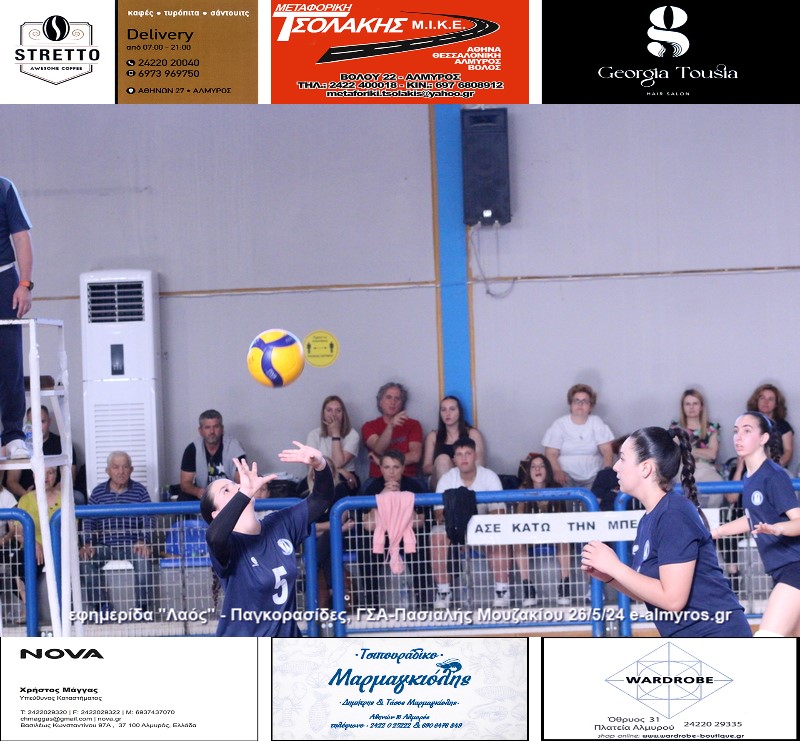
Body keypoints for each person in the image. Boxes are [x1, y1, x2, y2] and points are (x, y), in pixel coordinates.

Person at [580, 427, 752, 637]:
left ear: (646, 468)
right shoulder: (650, 518)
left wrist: (615, 567)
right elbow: (650, 592)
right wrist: (610, 576)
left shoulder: (674, 513)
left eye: (622, 459)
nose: (615, 466)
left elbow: (672, 600)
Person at [201, 441, 334, 637]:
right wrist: (244, 493)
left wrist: (320, 465)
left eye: (236, 484)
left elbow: (321, 500)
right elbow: (214, 537)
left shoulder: (279, 524)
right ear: (217, 514)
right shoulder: (228, 545)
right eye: (227, 490)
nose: (239, 487)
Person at [711, 413, 800, 637]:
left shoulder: (773, 476)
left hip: (795, 568)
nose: (738, 437)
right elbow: (752, 518)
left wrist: (778, 528)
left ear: (763, 438)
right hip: (782, 570)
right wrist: (716, 532)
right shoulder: (751, 477)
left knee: (766, 639)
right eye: (736, 431)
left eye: (747, 430)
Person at [431, 437, 510, 608]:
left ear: (475, 455)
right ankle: (443, 591)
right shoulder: (447, 479)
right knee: (437, 535)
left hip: (483, 529)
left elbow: (498, 514)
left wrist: (473, 532)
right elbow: (439, 515)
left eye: (468, 453)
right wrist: (461, 534)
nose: (464, 458)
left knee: (498, 534)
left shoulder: (489, 476)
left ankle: (502, 589)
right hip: (455, 530)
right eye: (459, 454)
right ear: (454, 459)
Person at [79, 452, 156, 614]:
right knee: (85, 560)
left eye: (125, 467)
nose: (121, 471)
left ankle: (142, 609)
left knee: (143, 559)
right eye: (115, 467)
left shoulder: (140, 491)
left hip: (132, 545)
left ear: (131, 470)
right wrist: (87, 543)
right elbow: (88, 521)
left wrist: (144, 541)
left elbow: (149, 519)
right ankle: (101, 608)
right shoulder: (98, 493)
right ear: (108, 471)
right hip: (105, 546)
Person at [360, 450, 433, 609]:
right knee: (367, 552)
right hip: (382, 535)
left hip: (407, 534)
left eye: (396, 467)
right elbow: (368, 525)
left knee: (419, 549)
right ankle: (372, 607)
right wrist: (383, 496)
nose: (391, 472)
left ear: (403, 468)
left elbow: (419, 522)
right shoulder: (372, 487)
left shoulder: (414, 486)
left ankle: (424, 605)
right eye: (387, 467)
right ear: (381, 468)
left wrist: (401, 498)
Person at [0, 176, 33, 461]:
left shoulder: (4, 187)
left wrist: (24, 284)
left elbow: (21, 236)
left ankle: (13, 435)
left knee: (10, 360)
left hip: (3, 278)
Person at [515, 453, 572, 607]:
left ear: (547, 469)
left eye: (541, 466)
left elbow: (561, 518)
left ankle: (565, 585)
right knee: (517, 542)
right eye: (533, 467)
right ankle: (527, 587)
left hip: (554, 533)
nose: (537, 470)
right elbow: (519, 517)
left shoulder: (556, 488)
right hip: (530, 535)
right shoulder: (523, 489)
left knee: (564, 539)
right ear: (528, 472)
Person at [542, 383, 614, 489]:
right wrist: (557, 471)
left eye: (585, 401)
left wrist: (606, 472)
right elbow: (551, 453)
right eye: (577, 401)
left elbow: (607, 450)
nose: (580, 404)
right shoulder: (559, 424)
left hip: (593, 476)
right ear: (570, 404)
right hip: (565, 477)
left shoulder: (596, 422)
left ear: (590, 406)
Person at [4, 405, 79, 501]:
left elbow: (70, 477)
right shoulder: (19, 446)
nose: (37, 427)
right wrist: (27, 496)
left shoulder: (63, 444)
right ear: (27, 424)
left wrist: (53, 494)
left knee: (78, 497)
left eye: (42, 421)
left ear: (49, 422)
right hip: (26, 495)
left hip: (57, 494)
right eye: (33, 423)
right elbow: (11, 481)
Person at [12, 466, 62, 605]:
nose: (45, 477)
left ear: (56, 476)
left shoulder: (65, 498)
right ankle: (29, 606)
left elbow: (70, 530)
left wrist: (49, 547)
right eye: (41, 473)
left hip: (57, 548)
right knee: (20, 561)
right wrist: (34, 544)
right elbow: (18, 532)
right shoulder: (25, 500)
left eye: (50, 473)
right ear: (34, 476)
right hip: (32, 549)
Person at [668, 389, 724, 506]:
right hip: (682, 469)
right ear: (683, 407)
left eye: (695, 403)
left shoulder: (712, 428)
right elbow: (675, 453)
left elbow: (712, 454)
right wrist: (701, 452)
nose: (691, 407)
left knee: (717, 486)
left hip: (707, 469)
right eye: (687, 404)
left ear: (701, 406)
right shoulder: (675, 428)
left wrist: (686, 449)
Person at [362, 382, 423, 481]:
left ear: (401, 403)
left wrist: (381, 462)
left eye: (397, 398)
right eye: (388, 397)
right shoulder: (369, 426)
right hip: (378, 478)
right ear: (380, 402)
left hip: (407, 477)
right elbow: (378, 449)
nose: (393, 402)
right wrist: (391, 426)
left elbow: (415, 456)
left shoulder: (413, 424)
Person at [422, 395, 486, 491]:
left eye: (452, 409)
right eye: (443, 410)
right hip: (439, 482)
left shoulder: (472, 434)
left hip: (467, 479)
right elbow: (426, 468)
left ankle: (463, 496)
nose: (447, 413)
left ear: (459, 412)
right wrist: (445, 465)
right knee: (443, 459)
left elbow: (479, 464)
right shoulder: (433, 436)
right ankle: (448, 498)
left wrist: (460, 463)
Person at [179, 409, 246, 499]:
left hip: (230, 496)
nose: (212, 432)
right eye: (207, 427)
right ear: (200, 431)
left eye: (216, 427)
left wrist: (228, 494)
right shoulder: (192, 449)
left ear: (222, 429)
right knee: (183, 497)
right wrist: (199, 492)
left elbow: (241, 481)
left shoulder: (235, 447)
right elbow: (185, 484)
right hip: (203, 497)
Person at [305, 395, 360, 491]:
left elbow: (337, 463)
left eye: (338, 410)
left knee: (338, 489)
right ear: (323, 414)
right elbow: (312, 464)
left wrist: (335, 433)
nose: (334, 414)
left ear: (343, 414)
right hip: (319, 474)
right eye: (329, 410)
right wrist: (341, 470)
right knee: (301, 489)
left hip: (345, 477)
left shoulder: (352, 435)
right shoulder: (313, 435)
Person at [744, 383, 794, 470]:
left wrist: (775, 467)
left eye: (770, 399)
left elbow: (788, 451)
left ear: (776, 404)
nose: (765, 402)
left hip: (777, 469)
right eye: (762, 398)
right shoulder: (746, 423)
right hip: (751, 469)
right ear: (756, 401)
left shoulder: (784, 426)